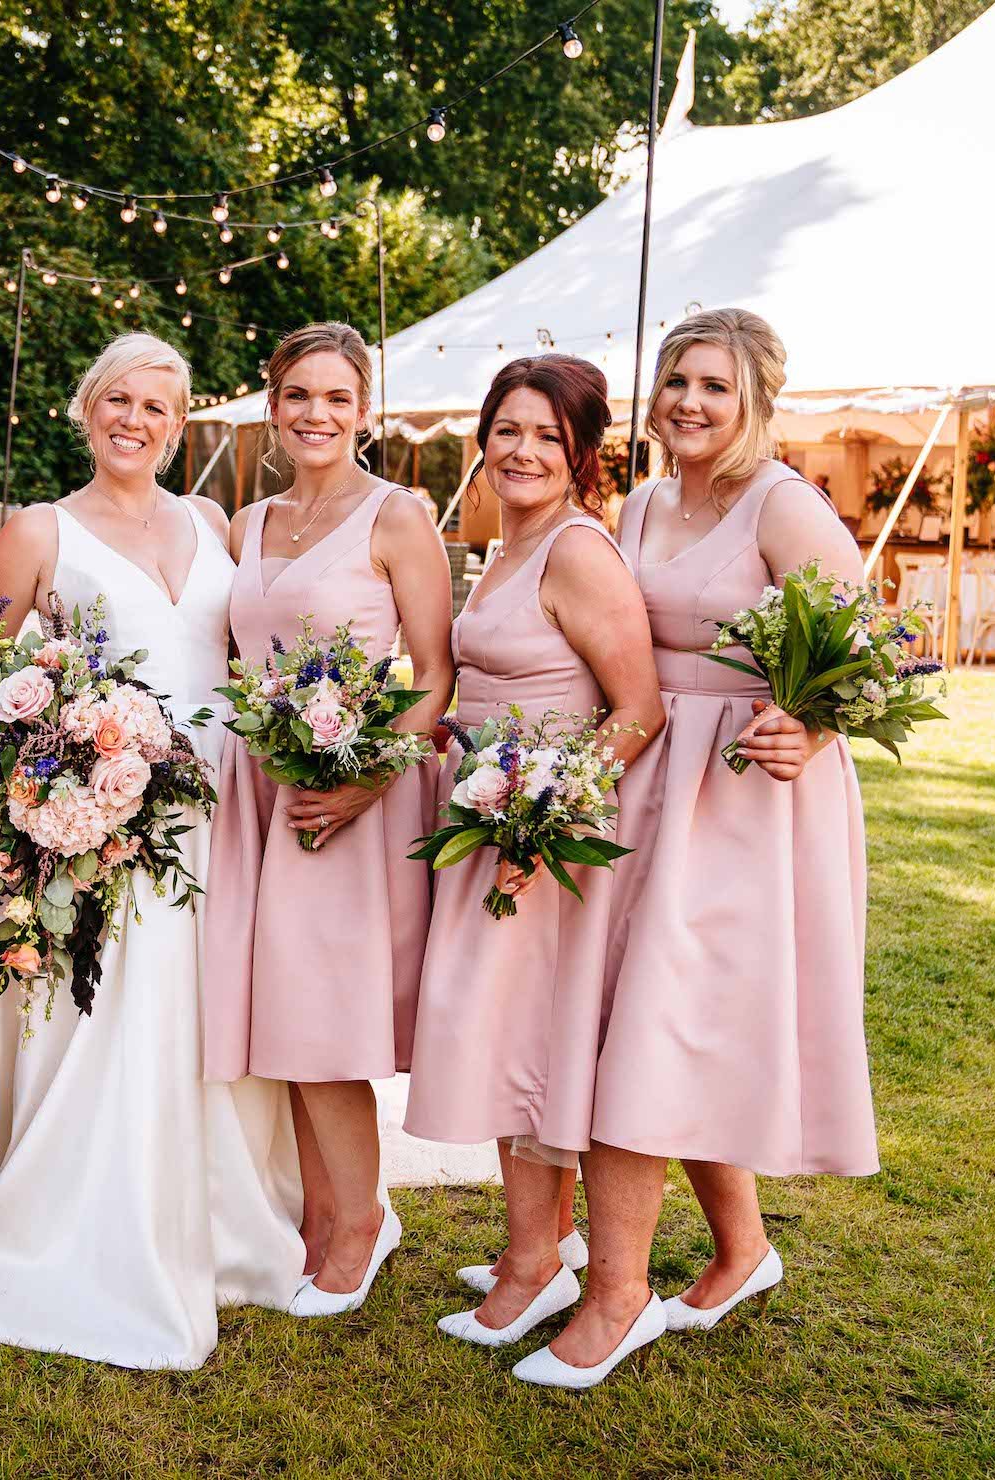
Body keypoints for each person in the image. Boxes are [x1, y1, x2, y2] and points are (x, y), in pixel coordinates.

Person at [525, 308, 876, 1390]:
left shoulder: (783, 505)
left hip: (743, 798)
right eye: (678, 379)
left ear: (756, 400)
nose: (689, 401)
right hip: (645, 779)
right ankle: (743, 1249)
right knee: (659, 1020)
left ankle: (618, 1295)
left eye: (715, 386)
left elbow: (872, 649)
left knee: (658, 1021)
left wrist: (810, 727)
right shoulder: (643, 501)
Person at [0, 332, 305, 1370]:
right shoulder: (38, 529)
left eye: (156, 406)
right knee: (123, 1003)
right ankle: (94, 1208)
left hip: (225, 798)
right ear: (86, 406)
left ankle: (227, 1208)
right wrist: (57, 782)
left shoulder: (210, 521)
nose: (135, 421)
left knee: (211, 1001)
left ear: (180, 422)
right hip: (111, 811)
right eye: (118, 400)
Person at [399, 356, 663, 1357]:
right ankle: (539, 1247)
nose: (522, 451)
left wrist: (543, 818)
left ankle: (533, 1266)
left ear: (583, 453)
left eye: (548, 436)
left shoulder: (577, 550)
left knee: (524, 1047)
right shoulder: (506, 541)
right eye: (508, 429)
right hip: (489, 818)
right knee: (507, 1034)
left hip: (542, 843)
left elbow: (638, 709)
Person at [202, 322, 452, 1316]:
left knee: (321, 1021)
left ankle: (362, 1224)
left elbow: (435, 674)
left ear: (365, 411)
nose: (317, 414)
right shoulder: (246, 523)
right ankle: (318, 1217)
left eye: (338, 397)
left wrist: (367, 780)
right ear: (273, 406)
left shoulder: (398, 517)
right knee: (284, 1017)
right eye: (299, 395)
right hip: (258, 792)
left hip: (347, 799)